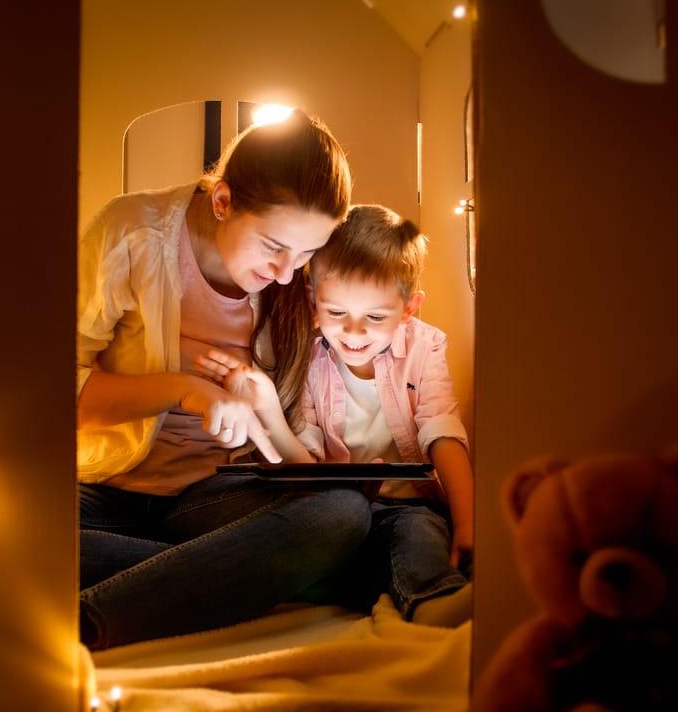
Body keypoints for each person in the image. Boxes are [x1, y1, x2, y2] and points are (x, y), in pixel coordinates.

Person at [76, 110, 372, 650]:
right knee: (4, 534)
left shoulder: (297, 286)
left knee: (342, 515)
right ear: (222, 202)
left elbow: (296, 459)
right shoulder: (132, 231)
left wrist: (263, 411)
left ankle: (95, 614)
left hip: (210, 499)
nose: (286, 272)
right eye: (273, 246)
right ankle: (224, 575)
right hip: (102, 490)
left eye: (306, 254)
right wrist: (186, 389)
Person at [199, 204, 474, 627]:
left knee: (418, 535)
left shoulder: (424, 347)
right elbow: (302, 463)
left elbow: (442, 431)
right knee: (314, 540)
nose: (354, 332)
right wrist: (271, 412)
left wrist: (467, 521)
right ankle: (366, 586)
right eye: (337, 313)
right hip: (335, 511)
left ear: (408, 308)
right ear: (314, 302)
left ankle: (432, 598)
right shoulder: (309, 356)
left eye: (376, 317)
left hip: (407, 507)